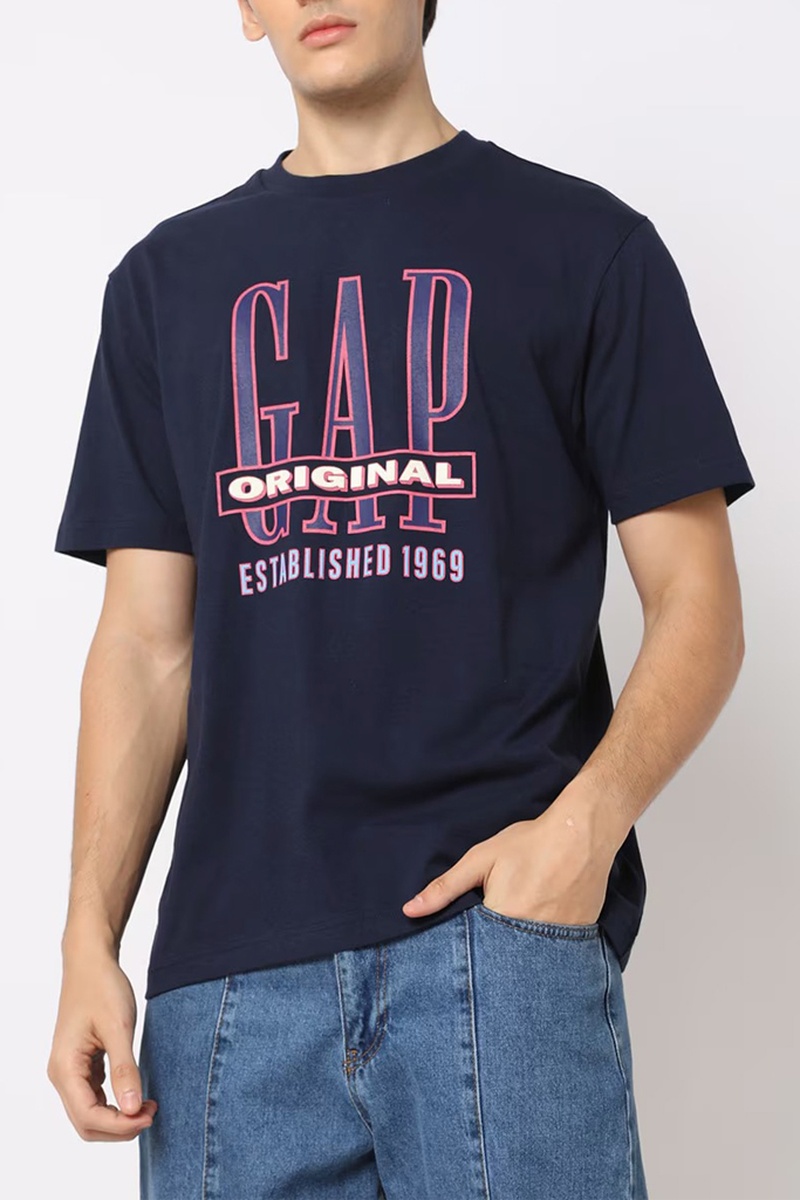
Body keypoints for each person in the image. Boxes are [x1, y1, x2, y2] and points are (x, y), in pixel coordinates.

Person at [46, 1, 756, 1196]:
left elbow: (698, 604)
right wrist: (86, 936)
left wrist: (576, 838)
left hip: (497, 950)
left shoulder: (584, 247)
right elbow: (144, 647)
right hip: (228, 990)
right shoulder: (167, 282)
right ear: (247, 12)